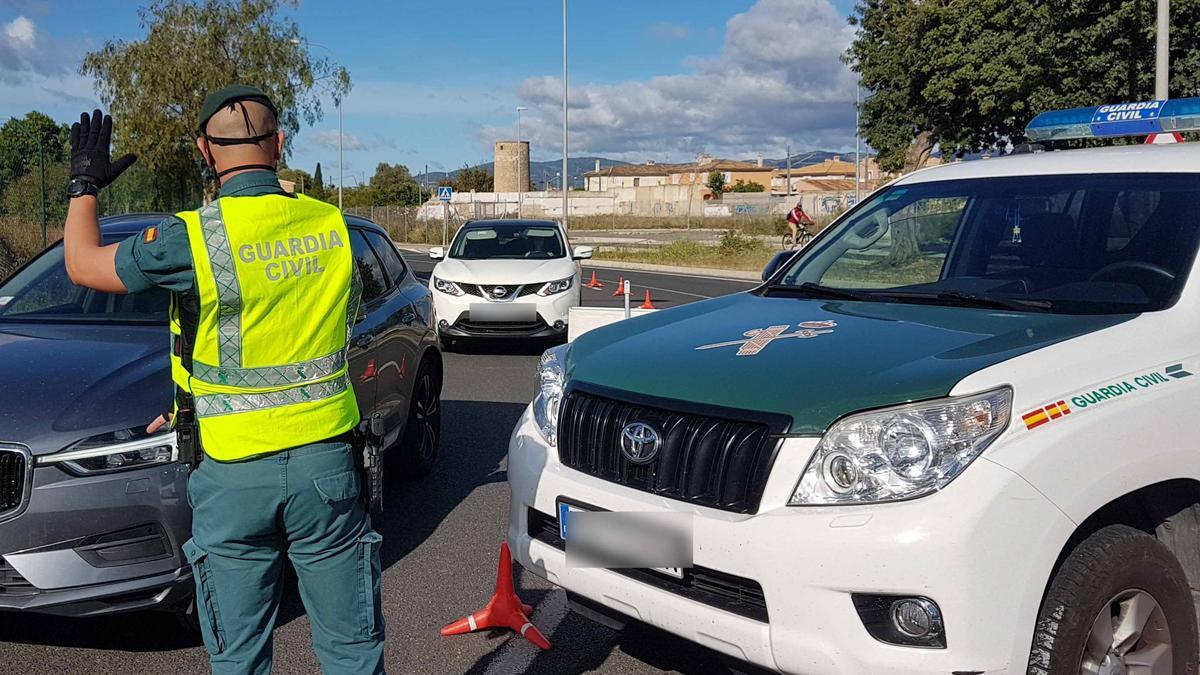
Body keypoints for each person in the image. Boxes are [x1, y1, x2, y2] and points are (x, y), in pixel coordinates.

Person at [62, 86, 384, 675]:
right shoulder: (332, 226)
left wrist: (84, 186)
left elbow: (82, 264)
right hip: (327, 468)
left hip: (233, 474)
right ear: (280, 143)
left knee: (239, 657)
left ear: (204, 150)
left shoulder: (192, 237)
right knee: (352, 652)